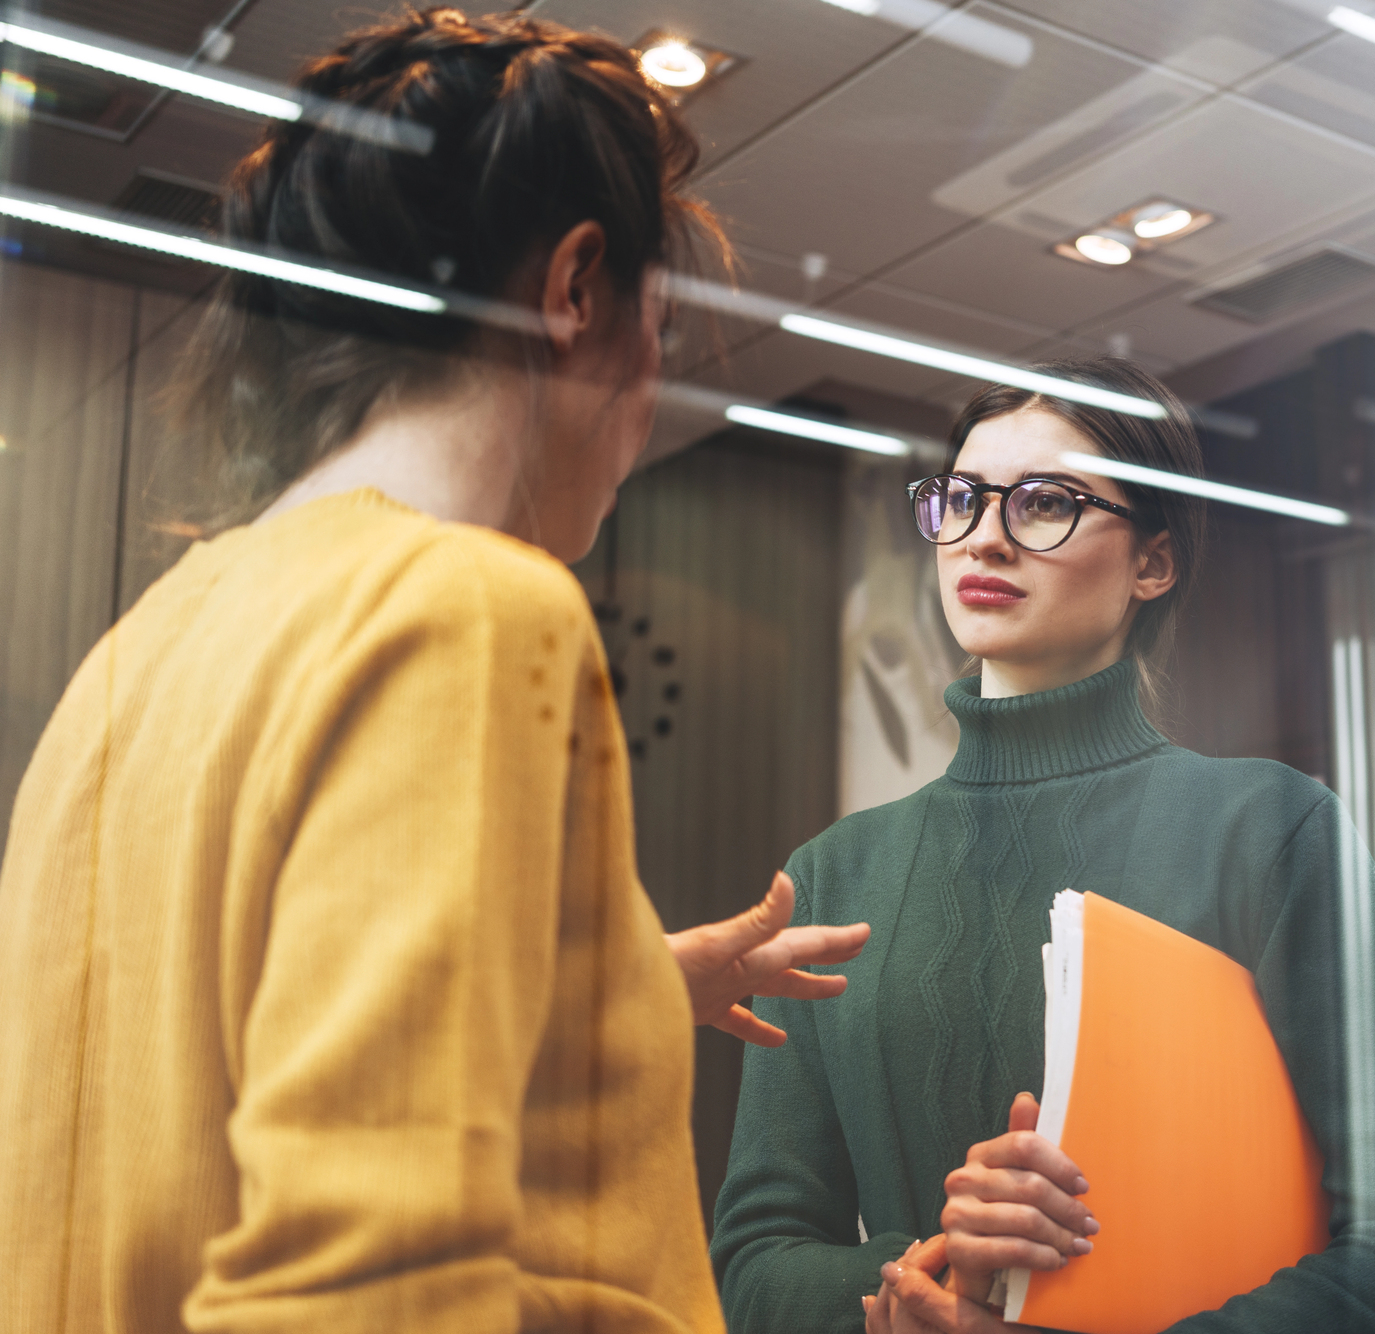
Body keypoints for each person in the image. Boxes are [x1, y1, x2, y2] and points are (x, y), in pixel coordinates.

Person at [0, 10, 866, 1331]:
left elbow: (201, 1086)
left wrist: (618, 988)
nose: (646, 400)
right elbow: (361, 1293)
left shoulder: (135, 657)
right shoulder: (470, 607)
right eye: (660, 326)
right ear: (578, 290)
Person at [709, 356, 1375, 1334]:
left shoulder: (1269, 829)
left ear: (1151, 562)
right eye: (960, 497)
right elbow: (752, 1258)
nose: (984, 534)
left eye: (1044, 503)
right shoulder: (833, 869)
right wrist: (921, 1278)